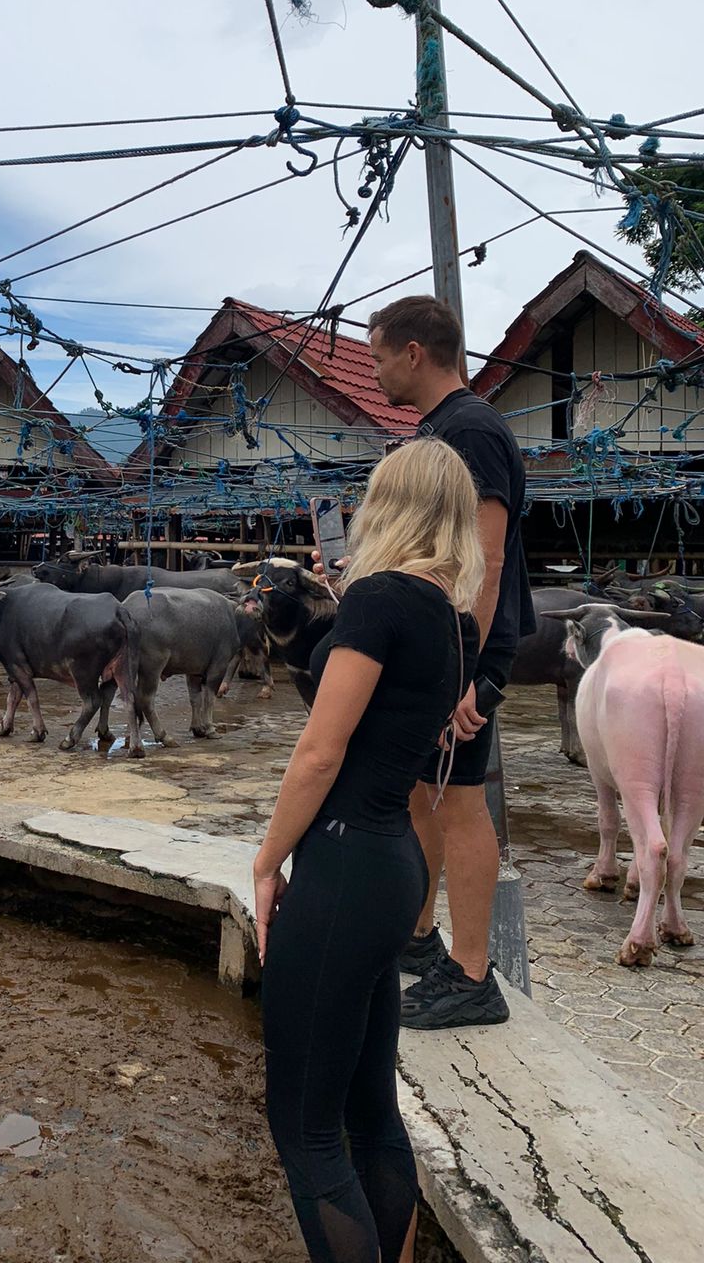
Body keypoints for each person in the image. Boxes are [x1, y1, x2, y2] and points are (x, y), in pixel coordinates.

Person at [256, 438, 481, 1263]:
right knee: (371, 1113)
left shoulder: (380, 602)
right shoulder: (454, 620)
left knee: (306, 1130)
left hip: (343, 867)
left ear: (389, 506)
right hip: (393, 867)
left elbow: (321, 752)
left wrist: (266, 860)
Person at [366, 295, 535, 1029]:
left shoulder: (470, 430)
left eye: (378, 358)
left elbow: (485, 560)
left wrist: (464, 671)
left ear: (413, 354)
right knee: (423, 792)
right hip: (446, 644)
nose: (375, 373)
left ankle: (471, 975)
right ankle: (419, 934)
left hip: (467, 651)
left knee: (461, 802)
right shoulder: (439, 430)